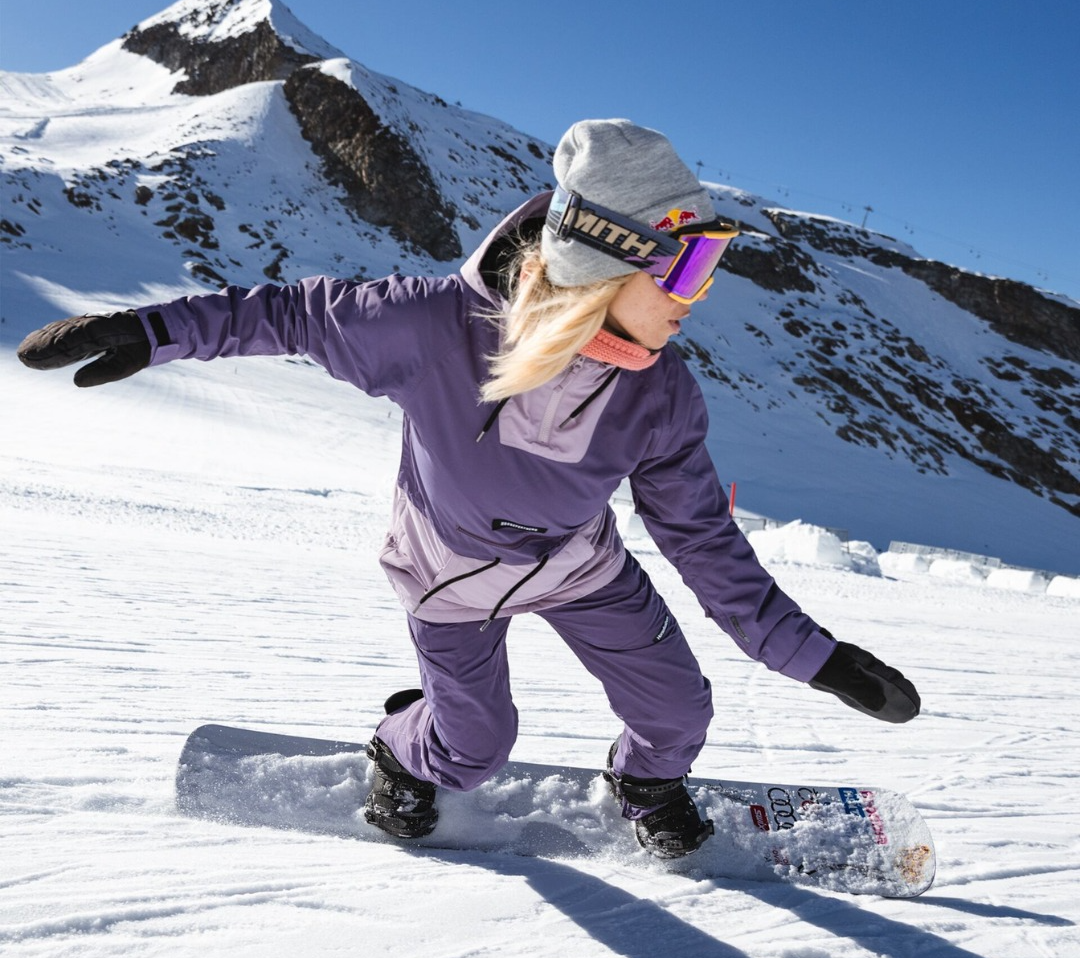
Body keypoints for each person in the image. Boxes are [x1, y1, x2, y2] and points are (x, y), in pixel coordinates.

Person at [16, 119, 920, 859]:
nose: (700, 294)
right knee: (472, 749)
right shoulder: (432, 326)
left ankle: (645, 784)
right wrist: (149, 332)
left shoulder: (661, 393)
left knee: (679, 709)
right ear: (606, 261)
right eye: (687, 267)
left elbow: (702, 540)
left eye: (712, 267)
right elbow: (290, 315)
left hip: (579, 567)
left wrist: (816, 658)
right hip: (450, 576)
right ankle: (401, 749)